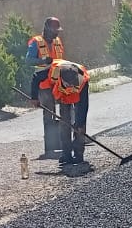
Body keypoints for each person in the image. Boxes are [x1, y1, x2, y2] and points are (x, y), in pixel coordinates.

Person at [26, 17, 66, 159]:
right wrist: (42, 61)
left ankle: (63, 143)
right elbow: (28, 60)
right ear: (48, 29)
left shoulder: (57, 42)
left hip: (59, 84)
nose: (57, 33)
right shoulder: (35, 42)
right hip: (43, 85)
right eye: (55, 30)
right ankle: (50, 147)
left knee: (65, 113)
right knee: (49, 115)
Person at [42, 59, 90, 167]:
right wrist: (34, 98)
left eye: (73, 84)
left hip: (78, 98)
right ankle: (66, 154)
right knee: (64, 124)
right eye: (69, 85)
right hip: (63, 97)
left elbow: (84, 105)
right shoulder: (53, 71)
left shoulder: (83, 79)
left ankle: (78, 155)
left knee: (79, 126)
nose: (71, 87)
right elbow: (36, 78)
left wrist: (80, 123)